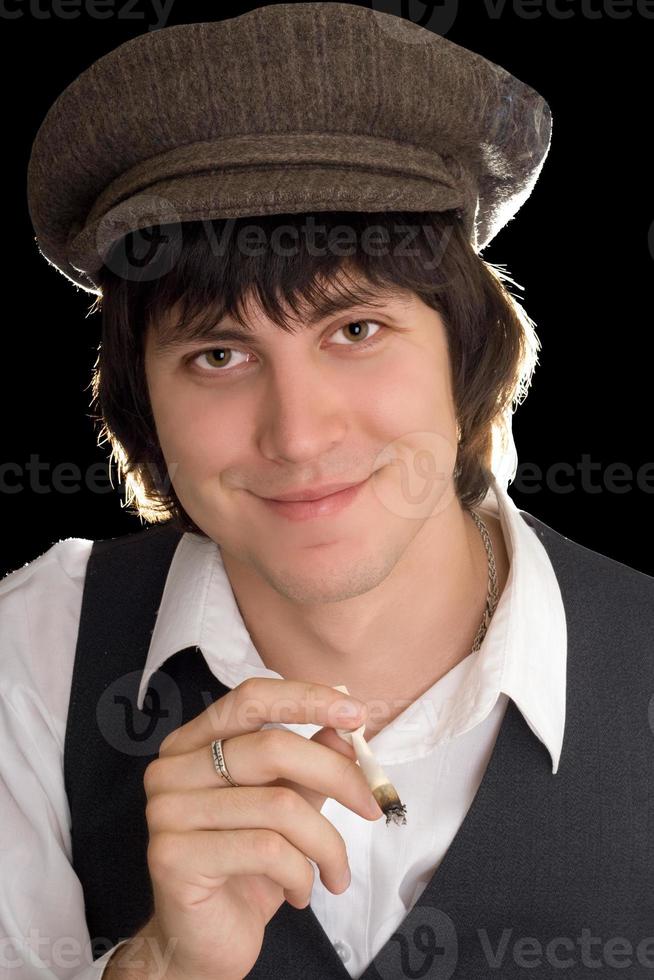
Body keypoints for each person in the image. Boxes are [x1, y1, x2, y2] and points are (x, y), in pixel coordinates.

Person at [4, 4, 653, 979]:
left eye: (355, 330)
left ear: (468, 352)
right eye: (219, 352)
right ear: (145, 402)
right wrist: (161, 966)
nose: (299, 434)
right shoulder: (34, 656)